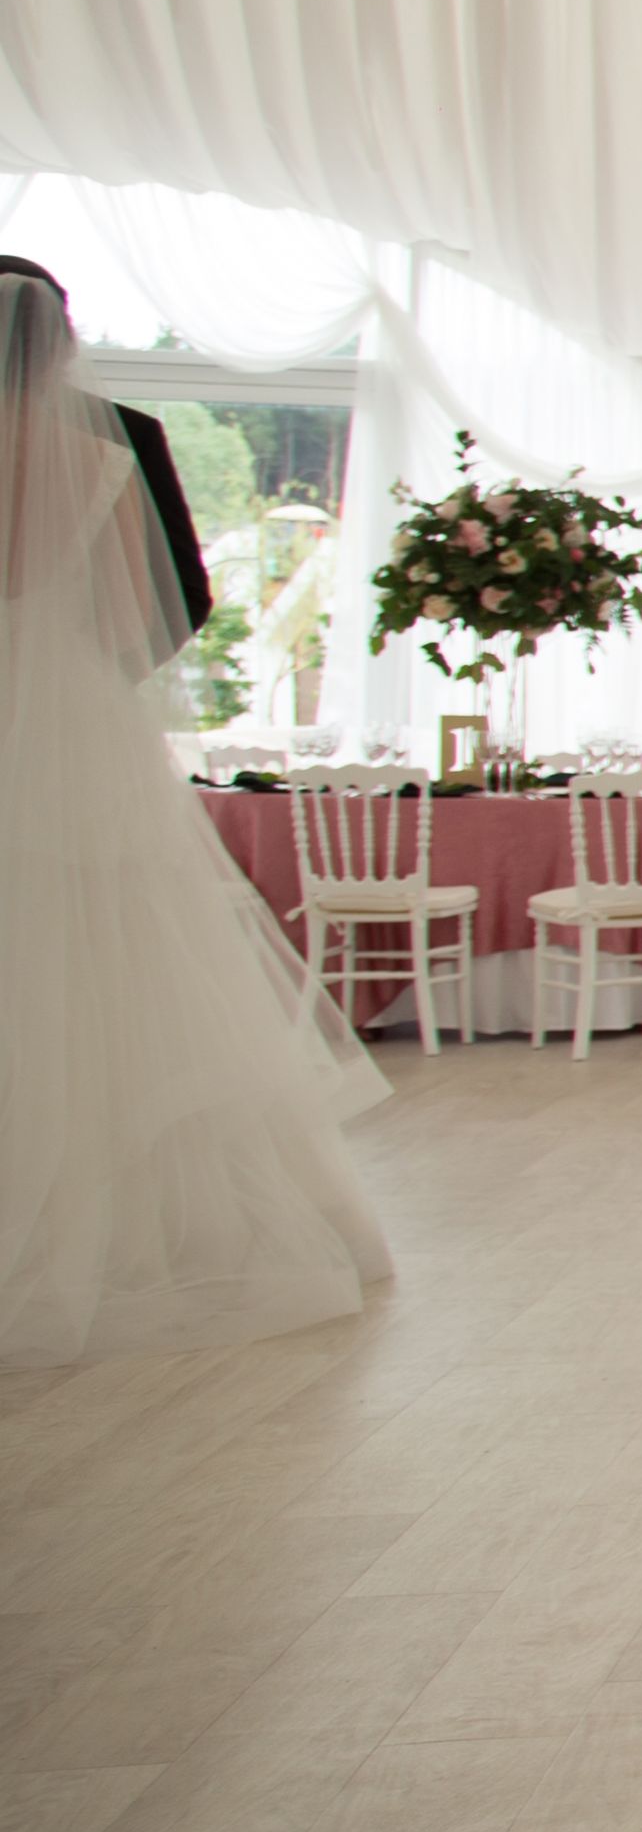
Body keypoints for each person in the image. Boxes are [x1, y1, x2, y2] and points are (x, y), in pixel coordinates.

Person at [0, 257, 394, 1369]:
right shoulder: (105, 449)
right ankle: (141, 1225)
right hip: (78, 729)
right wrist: (74, 689)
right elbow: (158, 611)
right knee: (113, 969)